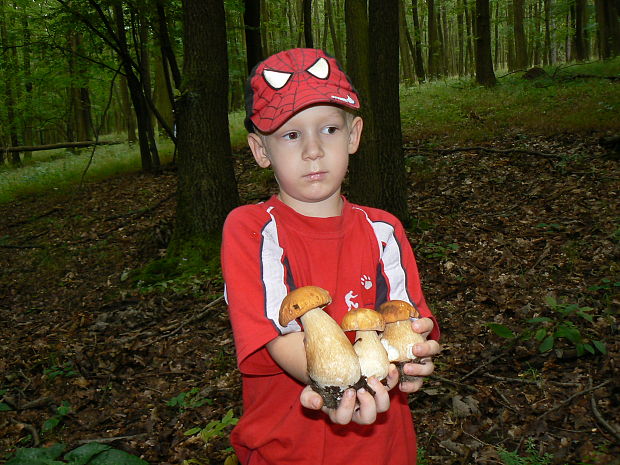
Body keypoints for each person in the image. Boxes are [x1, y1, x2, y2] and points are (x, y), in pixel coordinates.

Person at [221, 48, 441, 465]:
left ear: (354, 135)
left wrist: (414, 360)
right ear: (259, 150)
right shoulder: (250, 229)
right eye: (290, 134)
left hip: (385, 448)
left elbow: (404, 324)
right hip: (287, 447)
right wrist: (340, 384)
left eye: (328, 129)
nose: (313, 150)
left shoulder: (384, 230)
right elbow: (277, 335)